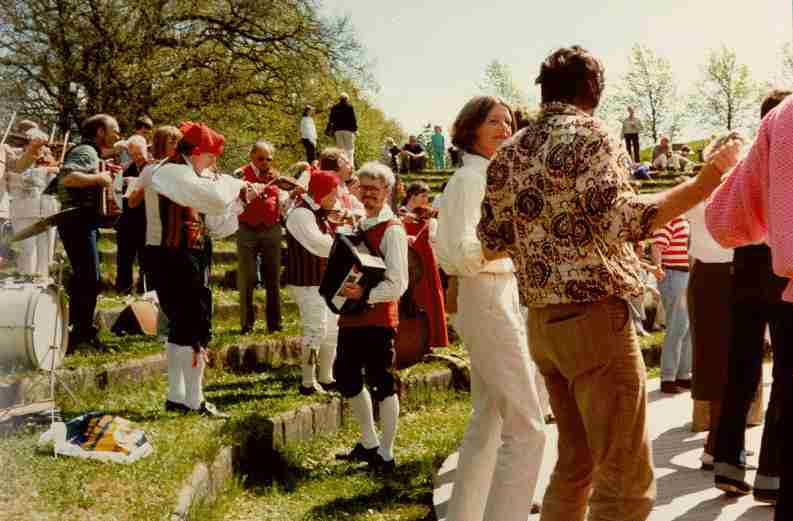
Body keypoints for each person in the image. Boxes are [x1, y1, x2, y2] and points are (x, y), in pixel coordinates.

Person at [477, 45, 740, 521]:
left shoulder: (509, 152)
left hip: (541, 323)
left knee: (575, 466)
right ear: (594, 91)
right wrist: (704, 183)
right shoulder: (592, 135)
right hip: (595, 319)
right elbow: (626, 220)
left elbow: (491, 243)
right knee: (624, 481)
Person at [437, 96, 547, 521]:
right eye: (494, 122)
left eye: (508, 122)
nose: (505, 129)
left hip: (495, 294)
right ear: (471, 129)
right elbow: (458, 251)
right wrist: (514, 241)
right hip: (484, 295)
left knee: (488, 422)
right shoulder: (470, 180)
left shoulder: (490, 175)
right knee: (528, 426)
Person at [704, 90, 793, 511]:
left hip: (746, 263)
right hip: (777, 266)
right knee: (782, 375)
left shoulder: (755, 153)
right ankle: (771, 472)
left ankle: (726, 459)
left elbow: (724, 218)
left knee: (740, 364)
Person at [139, 121, 264, 416]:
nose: (214, 163)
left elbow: (218, 226)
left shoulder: (191, 175)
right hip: (172, 255)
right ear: (195, 152)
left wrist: (242, 202)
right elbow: (218, 197)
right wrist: (237, 187)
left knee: (184, 326)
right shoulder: (169, 172)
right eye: (210, 156)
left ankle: (178, 397)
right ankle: (193, 401)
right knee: (193, 326)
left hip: (189, 254)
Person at [334, 161, 408, 474]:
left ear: (387, 192)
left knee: (383, 383)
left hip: (378, 320)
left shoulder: (393, 231)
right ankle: (369, 442)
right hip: (351, 318)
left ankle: (387, 454)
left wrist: (363, 296)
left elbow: (398, 284)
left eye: (374, 189)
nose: (367, 195)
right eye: (363, 189)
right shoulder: (360, 225)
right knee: (346, 376)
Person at [53, 114, 121, 353]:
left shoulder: (93, 153)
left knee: (87, 278)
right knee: (89, 279)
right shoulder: (86, 151)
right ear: (100, 132)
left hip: (83, 221)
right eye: (114, 129)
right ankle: (81, 335)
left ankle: (81, 333)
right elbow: (68, 178)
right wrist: (99, 178)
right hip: (76, 221)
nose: (118, 134)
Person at [685, 197, 734, 469]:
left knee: (715, 360)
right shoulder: (707, 195)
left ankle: (719, 441)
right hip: (724, 276)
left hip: (711, 276)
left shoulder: (701, 197)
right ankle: (718, 442)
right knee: (722, 361)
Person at [284, 169, 339, 395]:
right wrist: (342, 240)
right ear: (321, 192)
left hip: (322, 282)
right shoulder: (301, 214)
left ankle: (326, 376)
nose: (335, 199)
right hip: (306, 281)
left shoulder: (318, 211)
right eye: (332, 194)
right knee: (316, 330)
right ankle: (308, 382)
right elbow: (319, 244)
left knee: (332, 331)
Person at [234, 140, 287, 334]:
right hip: (247, 228)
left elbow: (282, 200)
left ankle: (275, 324)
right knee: (246, 277)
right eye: (261, 158)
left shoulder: (277, 176)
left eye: (269, 158)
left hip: (272, 228)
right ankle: (246, 324)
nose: (265, 162)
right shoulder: (240, 174)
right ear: (252, 157)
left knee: (273, 277)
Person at [8, 133, 60, 277]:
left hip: (45, 212)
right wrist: (47, 170)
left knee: (45, 250)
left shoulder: (47, 165)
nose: (44, 155)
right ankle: (27, 280)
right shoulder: (17, 161)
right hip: (24, 211)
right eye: (41, 150)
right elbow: (25, 176)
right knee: (28, 249)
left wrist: (54, 169)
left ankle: (43, 280)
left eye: (46, 152)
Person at [651, 216, 693, 394]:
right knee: (677, 327)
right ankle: (668, 378)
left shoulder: (685, 221)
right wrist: (658, 269)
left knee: (686, 328)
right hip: (674, 275)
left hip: (684, 275)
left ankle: (683, 375)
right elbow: (657, 245)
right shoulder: (672, 219)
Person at [115, 134, 150, 294]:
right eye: (133, 154)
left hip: (147, 219)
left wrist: (135, 183)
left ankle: (147, 290)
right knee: (124, 258)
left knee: (146, 258)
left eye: (140, 153)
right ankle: (123, 289)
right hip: (128, 218)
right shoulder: (125, 168)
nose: (137, 157)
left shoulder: (153, 167)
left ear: (146, 149)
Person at [319, 147, 364, 217]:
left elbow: (364, 210)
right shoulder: (329, 195)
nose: (351, 166)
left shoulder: (344, 190)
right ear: (335, 168)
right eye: (347, 163)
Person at [328, 93, 357, 167]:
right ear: (347, 99)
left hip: (338, 131)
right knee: (350, 150)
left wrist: (329, 130)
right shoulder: (350, 107)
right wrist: (355, 130)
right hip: (348, 130)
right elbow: (353, 119)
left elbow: (331, 119)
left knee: (341, 151)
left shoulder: (334, 107)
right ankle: (350, 167)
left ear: (339, 99)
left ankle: (342, 167)